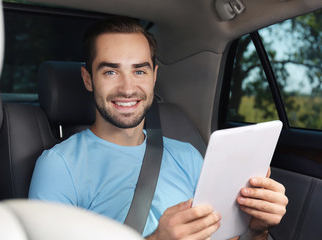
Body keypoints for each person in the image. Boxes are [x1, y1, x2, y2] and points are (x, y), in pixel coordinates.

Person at [29, 16, 288, 240]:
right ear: (88, 79)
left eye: (139, 71)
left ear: (154, 75)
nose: (128, 88)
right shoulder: (59, 166)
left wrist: (256, 231)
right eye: (110, 72)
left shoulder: (187, 156)